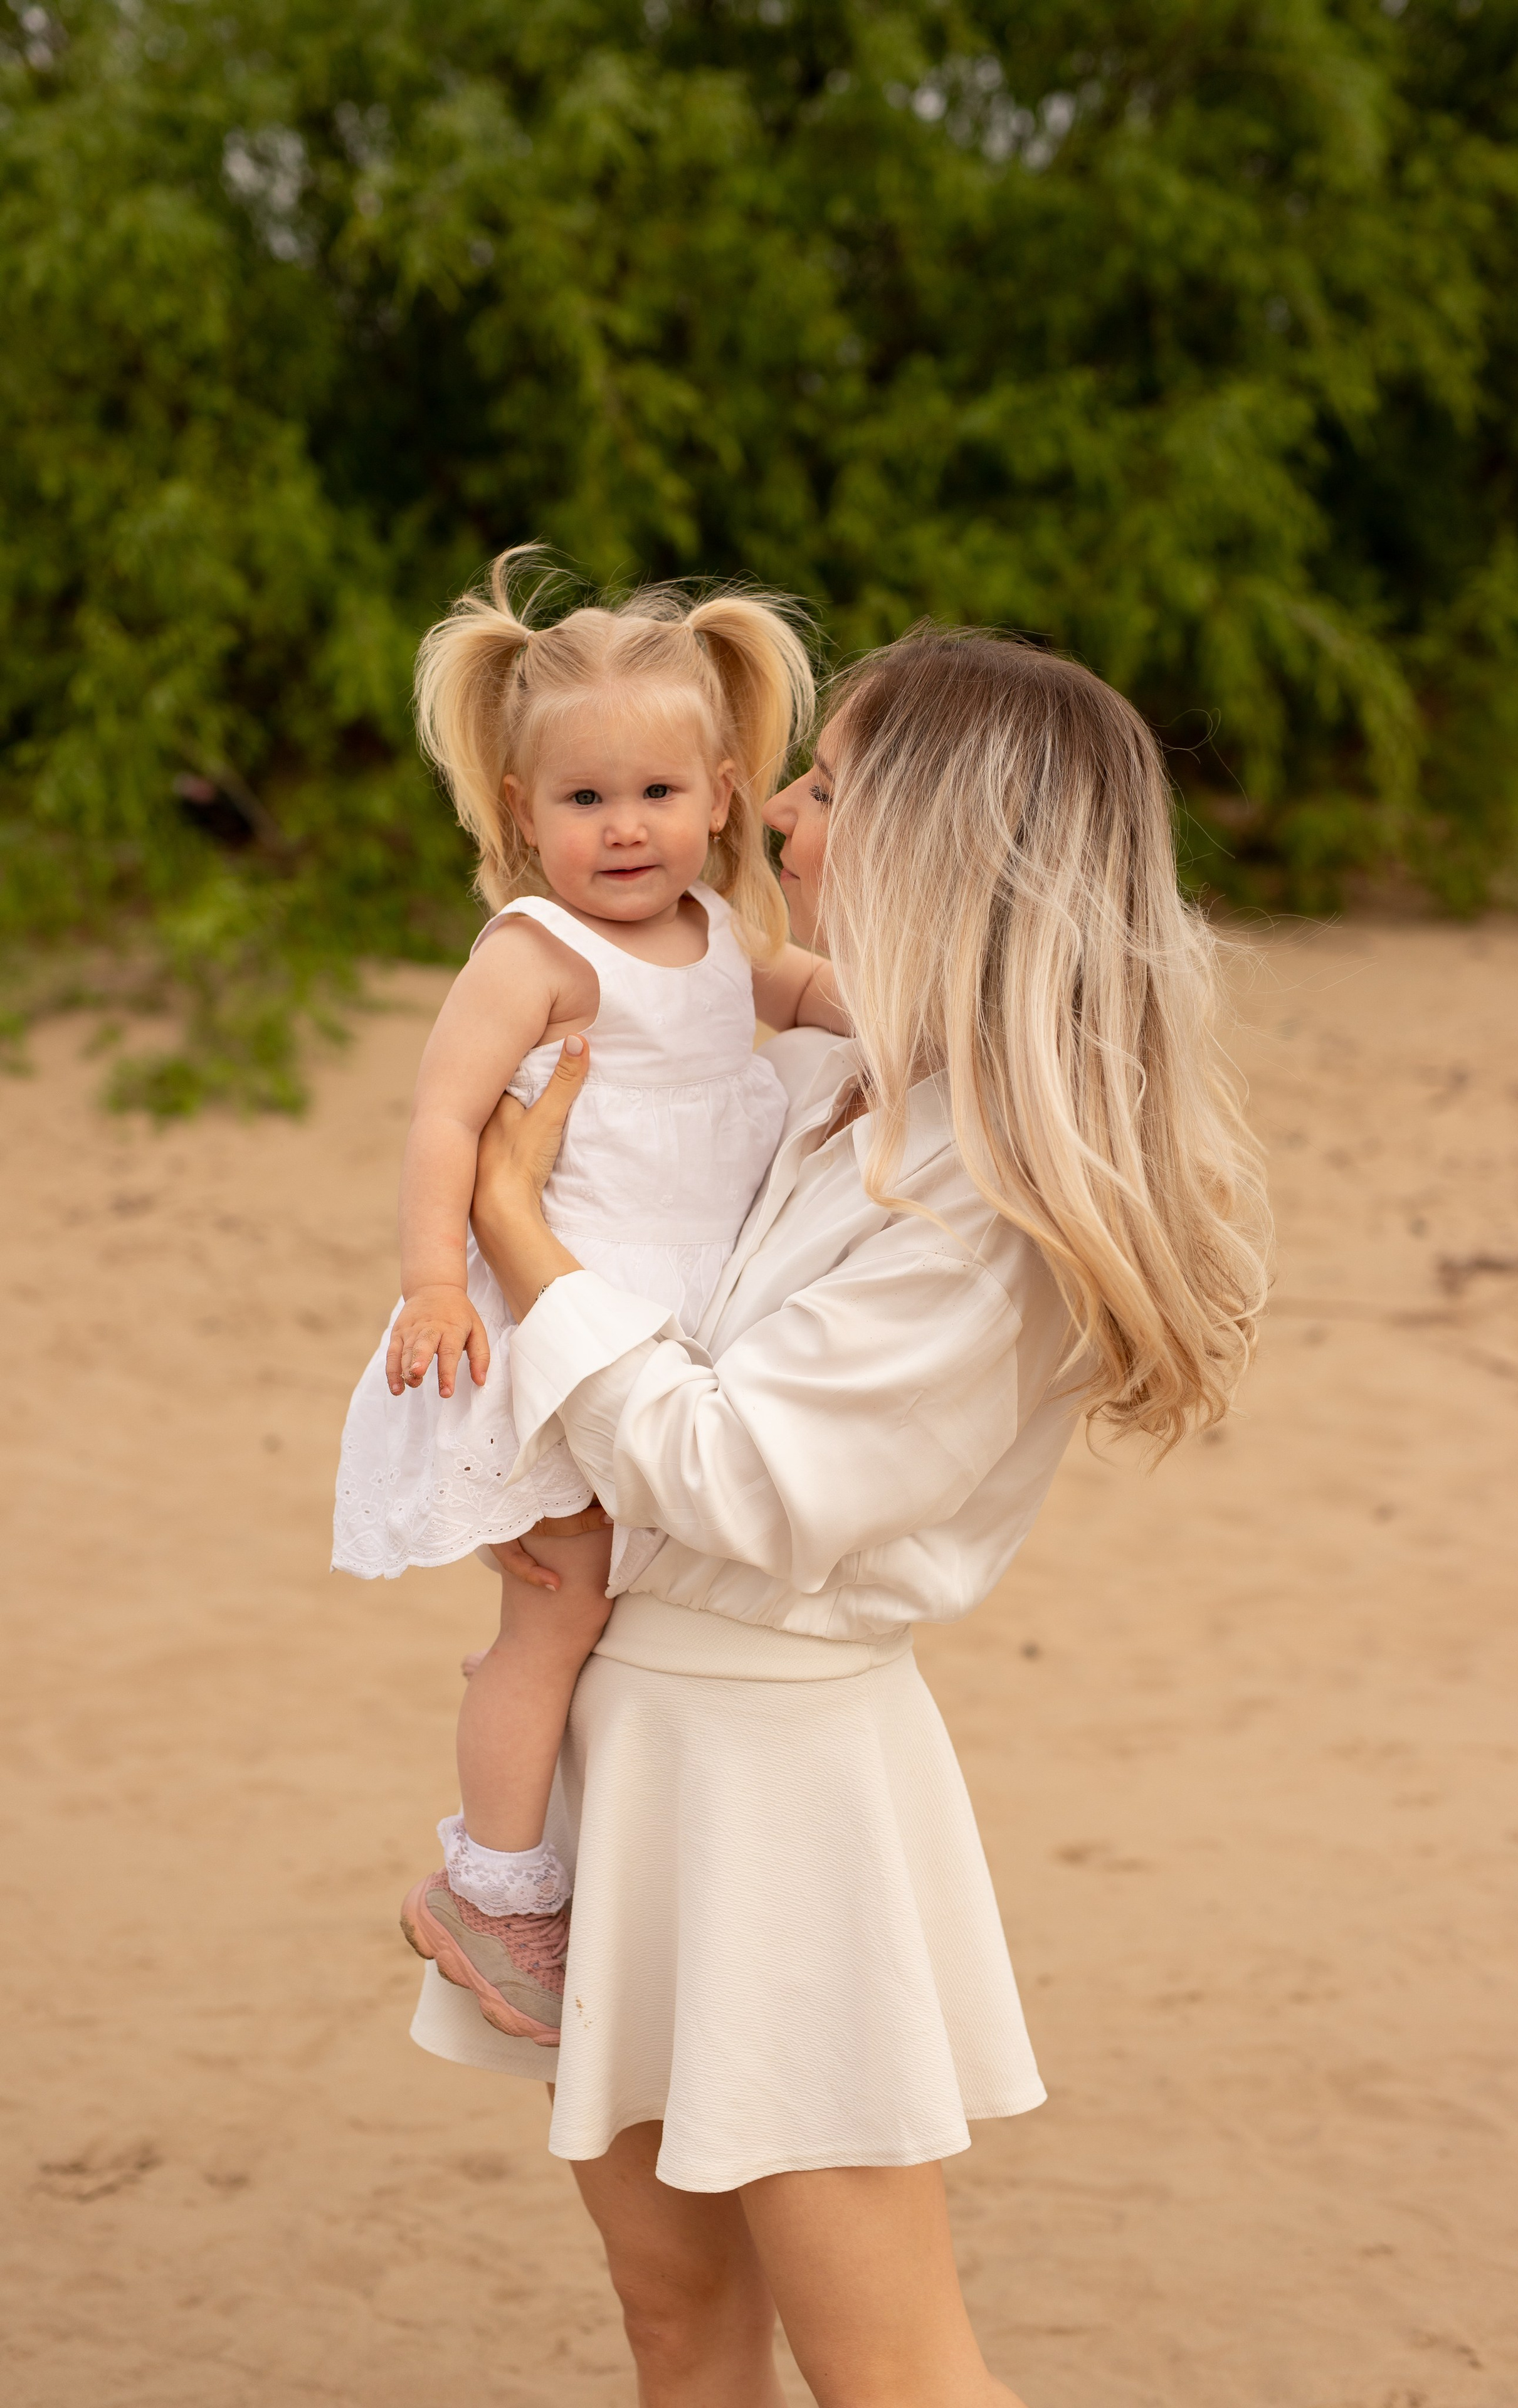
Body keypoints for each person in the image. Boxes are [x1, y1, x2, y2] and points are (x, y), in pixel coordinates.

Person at [426, 628, 1272, 2405]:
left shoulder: (995, 1200)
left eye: (820, 790)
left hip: (775, 1784)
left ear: (938, 841)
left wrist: (512, 1225)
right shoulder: (845, 1094)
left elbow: (749, 1478)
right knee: (675, 2321)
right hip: (628, 1738)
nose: (782, 823)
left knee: (889, 2369)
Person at [331, 549, 847, 2042]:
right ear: (518, 814)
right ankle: (491, 1888)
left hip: (672, 1338)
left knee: (641, 1618)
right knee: (551, 1618)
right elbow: (445, 1120)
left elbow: (808, 994)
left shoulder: (711, 940)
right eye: (582, 801)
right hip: (557, 1333)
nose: (624, 830)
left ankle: (609, 1867)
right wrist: (436, 1281)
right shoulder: (533, 953)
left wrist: (901, 1020)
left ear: (726, 796)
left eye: (656, 796)